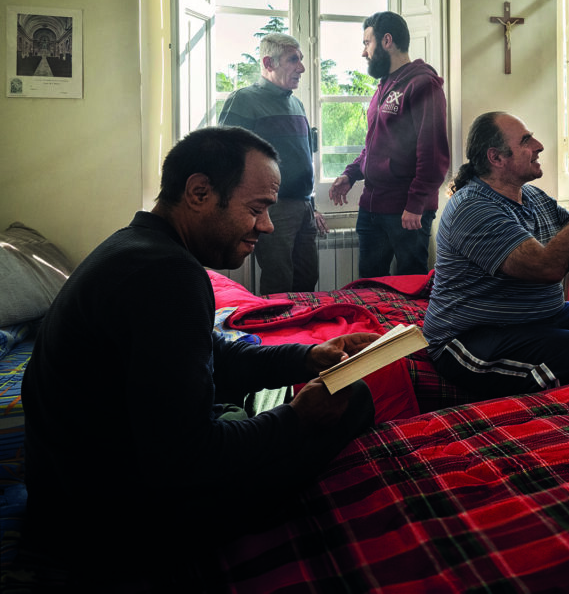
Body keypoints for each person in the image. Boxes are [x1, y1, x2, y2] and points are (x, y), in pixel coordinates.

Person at [22, 126, 377, 589]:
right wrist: (297, 419)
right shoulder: (169, 276)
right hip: (117, 524)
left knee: (295, 394)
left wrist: (309, 357)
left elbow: (211, 357)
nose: (267, 226)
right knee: (356, 400)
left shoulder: (135, 248)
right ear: (199, 192)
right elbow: (186, 461)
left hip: (69, 498)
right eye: (257, 209)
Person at [423, 111, 569, 398]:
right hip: (469, 338)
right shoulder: (472, 208)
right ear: (496, 158)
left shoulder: (534, 197)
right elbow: (546, 269)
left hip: (540, 319)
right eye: (526, 140)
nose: (539, 145)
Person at [328, 11, 450, 277]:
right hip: (371, 208)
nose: (364, 52)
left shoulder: (423, 84)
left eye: (366, 43)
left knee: (410, 289)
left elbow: (433, 154)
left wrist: (415, 204)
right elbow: (375, 146)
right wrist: (350, 175)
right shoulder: (383, 86)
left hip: (406, 212)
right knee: (370, 289)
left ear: (386, 41)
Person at [219, 32, 325, 294]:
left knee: (308, 279)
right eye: (293, 60)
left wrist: (313, 205)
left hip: (304, 208)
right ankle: (280, 335)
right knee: (279, 281)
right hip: (272, 210)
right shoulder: (243, 101)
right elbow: (223, 158)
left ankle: (306, 335)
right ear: (268, 63)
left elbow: (303, 160)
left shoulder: (297, 104)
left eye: (300, 60)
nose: (301, 67)